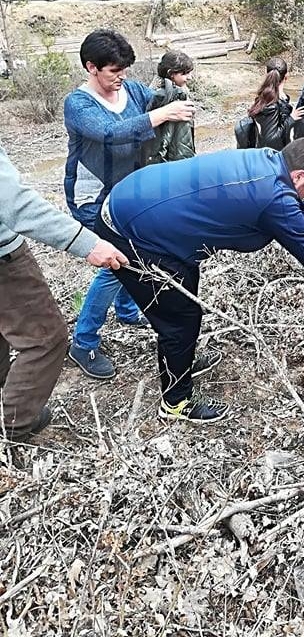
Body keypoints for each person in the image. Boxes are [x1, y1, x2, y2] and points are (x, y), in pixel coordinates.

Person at [93, 136, 304, 423]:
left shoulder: (270, 161)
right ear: (299, 176)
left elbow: (303, 214)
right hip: (128, 230)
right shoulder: (273, 197)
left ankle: (181, 360)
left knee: (186, 292)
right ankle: (175, 402)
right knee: (180, 317)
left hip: (142, 206)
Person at [64, 29, 195, 380]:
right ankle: (83, 340)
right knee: (117, 263)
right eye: (113, 71)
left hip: (127, 194)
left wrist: (173, 92)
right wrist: (162, 115)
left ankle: (126, 311)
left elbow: (154, 99)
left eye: (124, 70)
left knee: (131, 253)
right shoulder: (78, 105)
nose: (120, 77)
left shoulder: (132, 91)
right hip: (93, 198)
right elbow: (110, 133)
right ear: (91, 68)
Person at [0, 144, 127, 440]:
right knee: (45, 339)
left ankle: (11, 399)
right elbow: (14, 205)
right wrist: (85, 242)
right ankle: (13, 426)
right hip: (4, 259)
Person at [144, 50, 196, 164]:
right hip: (172, 163)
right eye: (185, 73)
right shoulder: (171, 98)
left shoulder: (151, 92)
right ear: (171, 73)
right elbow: (179, 145)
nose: (190, 77)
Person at [247, 57, 304, 150]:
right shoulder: (272, 104)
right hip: (273, 157)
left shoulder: (264, 95)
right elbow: (271, 139)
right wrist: (291, 119)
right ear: (286, 77)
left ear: (266, 73)